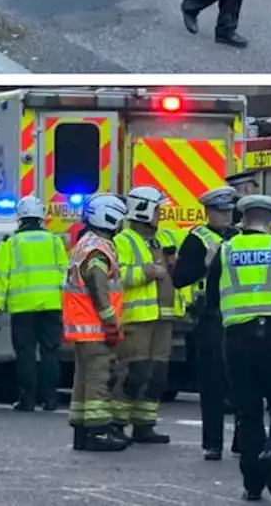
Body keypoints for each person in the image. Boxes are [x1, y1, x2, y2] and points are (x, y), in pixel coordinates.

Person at [205, 194, 271, 502]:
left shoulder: (225, 251)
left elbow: (211, 299)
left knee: (248, 413)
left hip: (238, 340)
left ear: (243, 220)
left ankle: (252, 484)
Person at [173, 186, 239, 460]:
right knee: (212, 385)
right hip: (208, 317)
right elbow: (179, 278)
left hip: (237, 314)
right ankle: (212, 443)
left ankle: (241, 441)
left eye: (229, 211)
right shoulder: (196, 239)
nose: (226, 216)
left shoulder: (239, 237)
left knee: (240, 383)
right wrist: (205, 263)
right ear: (208, 213)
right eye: (221, 211)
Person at [63, 194, 129, 451]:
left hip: (82, 327)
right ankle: (97, 431)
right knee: (99, 378)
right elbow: (97, 285)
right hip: (94, 327)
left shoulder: (86, 243)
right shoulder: (98, 249)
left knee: (84, 378)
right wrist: (110, 322)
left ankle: (82, 430)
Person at [0, 196, 67, 412]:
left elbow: (1, 276)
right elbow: (65, 273)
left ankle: (28, 399)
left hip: (23, 307)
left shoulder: (11, 243)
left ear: (20, 217)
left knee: (26, 354)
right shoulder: (54, 241)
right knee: (50, 352)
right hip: (51, 304)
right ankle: (50, 399)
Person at [112, 186, 174, 444]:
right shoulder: (122, 241)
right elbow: (117, 276)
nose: (161, 214)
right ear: (144, 210)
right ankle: (116, 423)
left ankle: (144, 424)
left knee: (156, 373)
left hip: (163, 318)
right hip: (137, 318)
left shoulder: (161, 239)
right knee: (133, 373)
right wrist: (147, 272)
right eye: (158, 209)